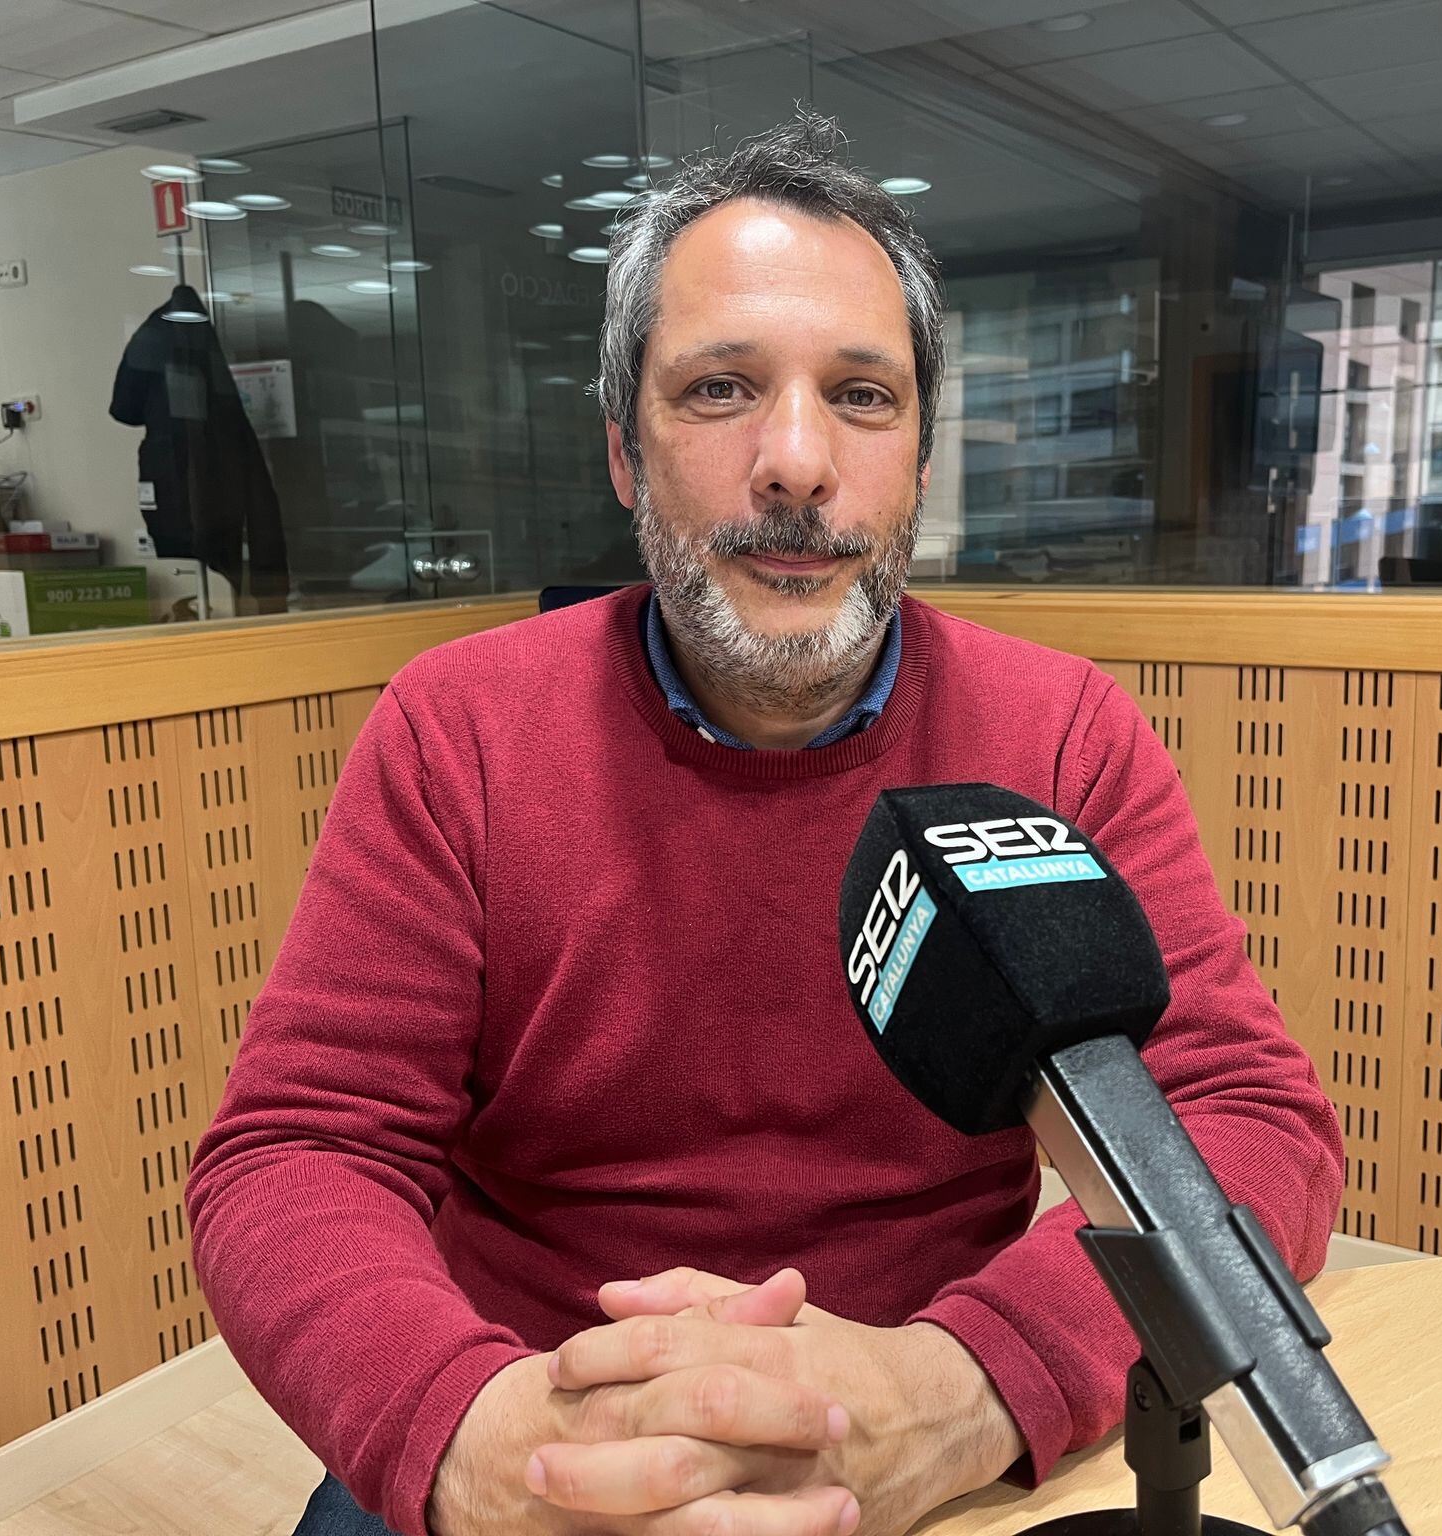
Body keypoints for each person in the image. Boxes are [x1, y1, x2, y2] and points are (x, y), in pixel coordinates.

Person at [185, 113, 1341, 1536]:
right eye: (721, 389)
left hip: (923, 1453)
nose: (796, 462)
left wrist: (969, 1386)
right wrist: (469, 1438)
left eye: (862, 396)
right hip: (534, 1433)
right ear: (625, 452)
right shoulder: (457, 731)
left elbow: (1246, 1122)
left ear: (921, 457)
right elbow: (296, 1154)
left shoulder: (1063, 737)